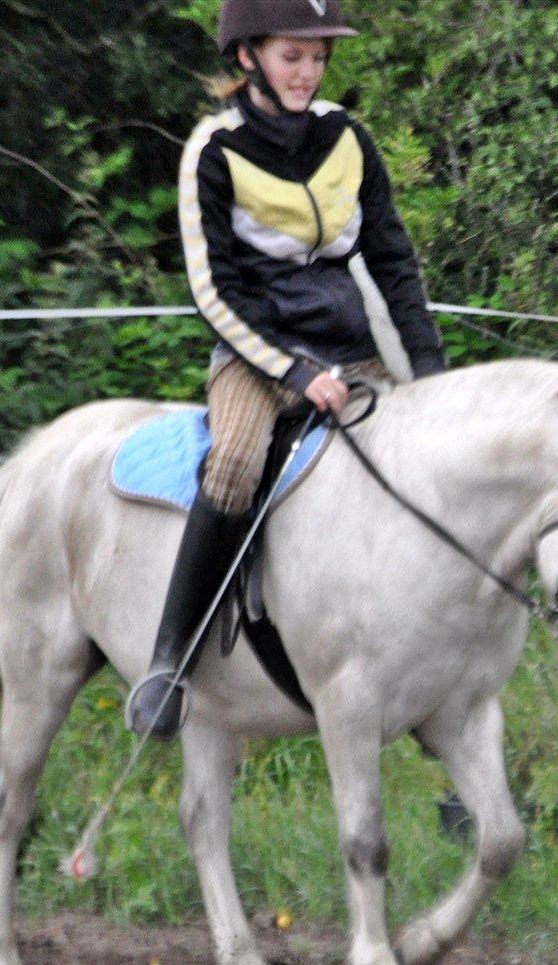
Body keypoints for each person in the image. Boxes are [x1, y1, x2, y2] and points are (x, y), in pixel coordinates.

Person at [126, 0, 446, 739]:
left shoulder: (346, 137)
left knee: (418, 467)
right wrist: (293, 374)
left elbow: (392, 261)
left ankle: (426, 669)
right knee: (235, 459)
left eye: (317, 57)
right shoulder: (213, 149)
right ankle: (168, 664)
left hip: (350, 348)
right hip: (254, 351)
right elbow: (212, 293)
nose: (307, 72)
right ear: (248, 57)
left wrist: (428, 373)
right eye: (290, 56)